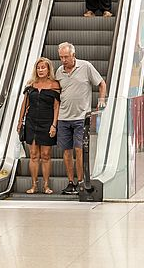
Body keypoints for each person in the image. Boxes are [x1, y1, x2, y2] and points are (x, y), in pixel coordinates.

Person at [55, 42, 106, 195]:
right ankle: (71, 183)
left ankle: (82, 181)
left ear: (73, 55)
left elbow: (101, 83)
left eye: (66, 57)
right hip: (64, 117)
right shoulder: (59, 71)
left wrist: (102, 99)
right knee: (66, 151)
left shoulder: (86, 67)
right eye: (61, 57)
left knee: (79, 150)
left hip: (81, 117)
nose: (64, 60)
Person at [17, 58, 60, 194]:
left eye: (43, 68)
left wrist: (54, 125)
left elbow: (56, 107)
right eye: (38, 68)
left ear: (48, 70)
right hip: (31, 122)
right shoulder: (31, 85)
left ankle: (46, 186)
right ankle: (34, 185)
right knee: (34, 155)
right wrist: (20, 121)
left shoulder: (55, 85)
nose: (41, 70)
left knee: (46, 155)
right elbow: (25, 104)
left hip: (47, 123)